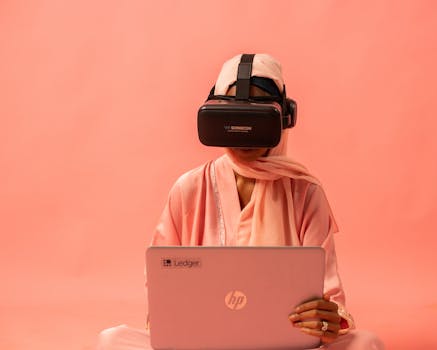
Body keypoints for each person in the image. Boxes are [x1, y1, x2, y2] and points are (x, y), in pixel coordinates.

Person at [97, 53, 384, 350]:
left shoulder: (306, 192)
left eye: (256, 119)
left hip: (284, 345)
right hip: (201, 343)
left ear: (283, 119)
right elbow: (161, 289)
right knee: (112, 340)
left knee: (366, 344)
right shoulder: (189, 188)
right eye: (232, 118)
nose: (244, 133)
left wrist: (326, 322)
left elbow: (329, 301)